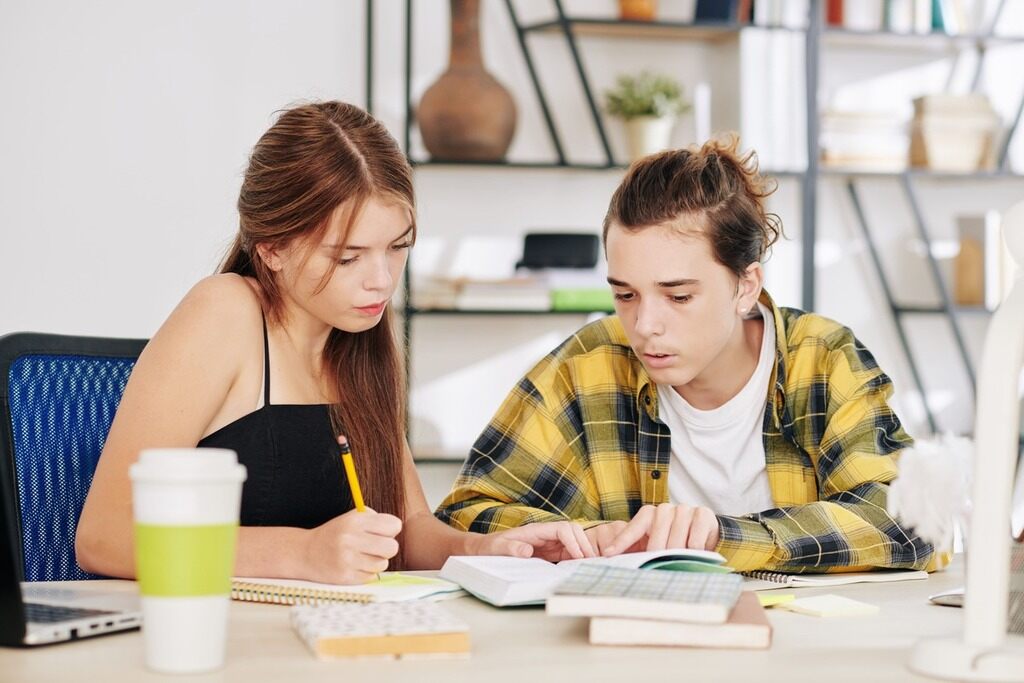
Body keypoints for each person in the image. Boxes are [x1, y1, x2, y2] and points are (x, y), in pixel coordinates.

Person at [76, 101, 594, 584]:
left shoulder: (357, 339)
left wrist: (491, 550)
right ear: (273, 249)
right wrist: (301, 554)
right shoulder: (226, 312)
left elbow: (407, 530)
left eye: (397, 248)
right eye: (348, 258)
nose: (381, 280)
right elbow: (104, 538)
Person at [436, 137, 947, 573]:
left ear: (745, 285)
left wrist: (719, 537)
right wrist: (587, 536)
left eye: (678, 296)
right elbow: (465, 516)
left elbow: (911, 522)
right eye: (625, 294)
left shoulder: (824, 359)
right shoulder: (584, 366)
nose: (644, 326)